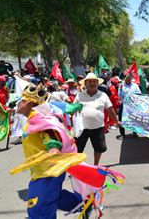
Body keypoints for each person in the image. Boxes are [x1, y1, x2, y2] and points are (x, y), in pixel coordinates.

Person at [15, 84, 83, 218]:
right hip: (44, 170)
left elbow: (49, 133)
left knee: (38, 208)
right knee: (53, 197)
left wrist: (53, 147)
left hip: (48, 172)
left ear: (29, 103)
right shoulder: (34, 118)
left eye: (21, 101)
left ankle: (79, 204)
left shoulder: (38, 118)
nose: (18, 104)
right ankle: (79, 204)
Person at [74, 73, 120, 165]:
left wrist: (116, 121)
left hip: (98, 127)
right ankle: (79, 167)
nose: (92, 83)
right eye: (90, 81)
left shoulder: (103, 95)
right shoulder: (79, 95)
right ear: (85, 84)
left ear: (97, 83)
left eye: (94, 81)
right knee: (78, 149)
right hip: (82, 128)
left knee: (99, 148)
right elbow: (73, 108)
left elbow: (110, 110)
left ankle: (96, 165)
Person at [116, 74, 141, 140]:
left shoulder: (135, 86)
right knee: (121, 119)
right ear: (125, 79)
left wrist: (133, 96)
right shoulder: (121, 85)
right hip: (124, 104)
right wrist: (121, 89)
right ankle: (122, 134)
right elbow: (119, 96)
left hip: (132, 104)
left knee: (134, 118)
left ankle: (135, 132)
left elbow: (139, 93)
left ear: (131, 79)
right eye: (127, 79)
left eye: (129, 79)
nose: (128, 80)